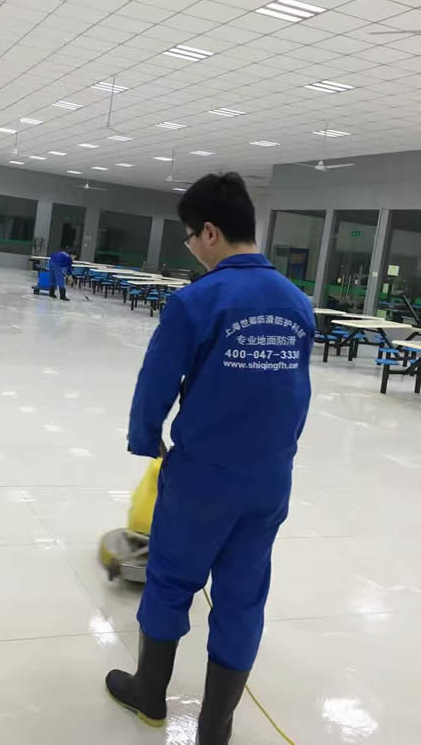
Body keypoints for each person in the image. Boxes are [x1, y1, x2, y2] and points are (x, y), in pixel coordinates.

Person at [105, 173, 315, 744]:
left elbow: (156, 381)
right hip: (269, 480)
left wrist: (146, 437)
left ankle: (150, 696)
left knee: (170, 581)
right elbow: (296, 392)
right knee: (243, 597)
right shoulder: (298, 303)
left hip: (202, 478)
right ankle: (215, 728)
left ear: (211, 232)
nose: (191, 247)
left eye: (189, 236)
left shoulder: (197, 300)